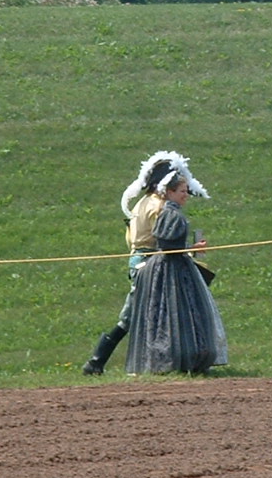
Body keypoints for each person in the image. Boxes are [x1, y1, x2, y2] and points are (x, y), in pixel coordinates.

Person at [82, 151, 210, 375]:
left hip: (139, 259)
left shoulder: (142, 203)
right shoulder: (158, 207)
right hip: (150, 262)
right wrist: (191, 250)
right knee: (134, 315)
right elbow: (166, 241)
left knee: (140, 314)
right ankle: (96, 362)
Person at [124, 172, 228, 374]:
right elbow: (166, 243)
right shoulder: (166, 212)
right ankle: (174, 358)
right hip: (165, 267)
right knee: (165, 313)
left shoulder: (159, 208)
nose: (186, 195)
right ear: (169, 191)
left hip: (164, 264)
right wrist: (190, 248)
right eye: (182, 191)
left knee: (149, 314)